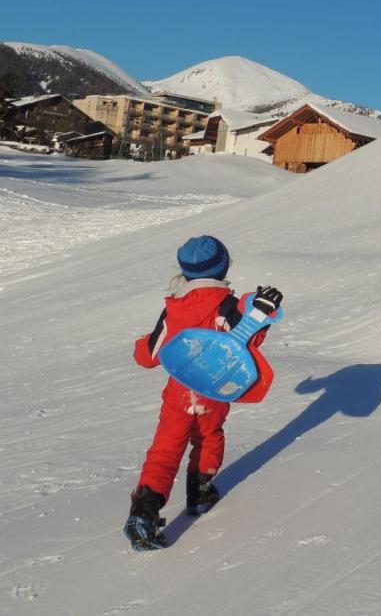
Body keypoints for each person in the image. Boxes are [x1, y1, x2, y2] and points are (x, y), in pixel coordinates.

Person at [123, 235, 283, 550]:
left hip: (179, 392)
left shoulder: (174, 307)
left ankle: (144, 511)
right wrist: (259, 315)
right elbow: (247, 342)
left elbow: (148, 357)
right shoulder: (227, 305)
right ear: (224, 268)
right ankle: (200, 490)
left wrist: (144, 342)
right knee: (209, 436)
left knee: (165, 450)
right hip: (215, 389)